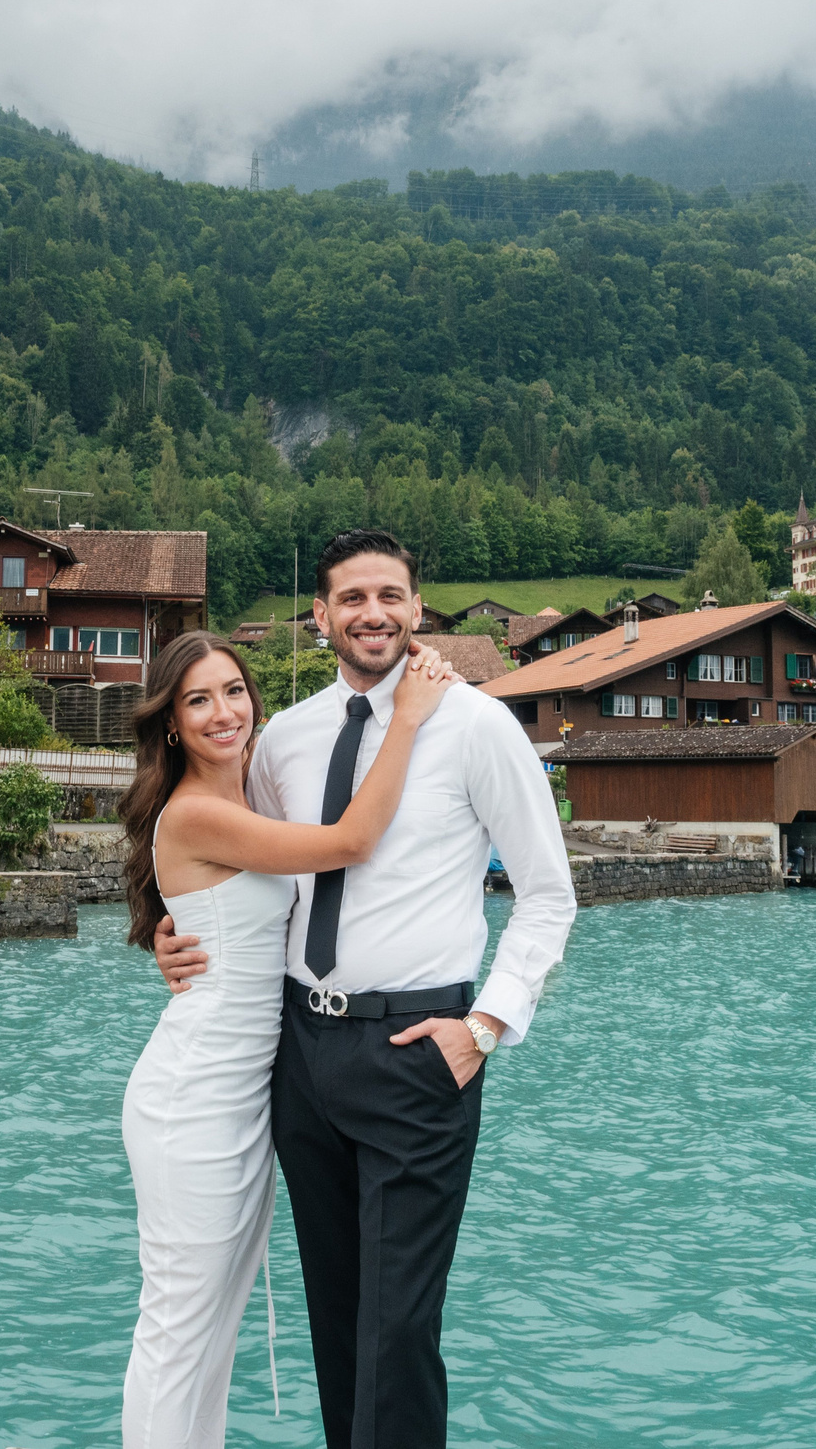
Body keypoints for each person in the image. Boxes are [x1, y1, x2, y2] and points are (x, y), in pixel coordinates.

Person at [154, 528, 577, 1448]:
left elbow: (549, 894)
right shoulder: (287, 741)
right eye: (352, 597)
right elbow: (244, 867)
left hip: (419, 1053)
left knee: (398, 1332)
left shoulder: (479, 726)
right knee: (338, 1325)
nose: (373, 612)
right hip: (301, 1055)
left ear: (417, 607)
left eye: (390, 594)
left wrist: (487, 1026)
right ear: (321, 617)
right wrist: (172, 932)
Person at [119, 627, 459, 1449]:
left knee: (214, 1331)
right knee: (177, 1332)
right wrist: (408, 717)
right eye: (198, 698)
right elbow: (349, 843)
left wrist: (170, 932)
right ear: (171, 722)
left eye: (233, 690)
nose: (223, 710)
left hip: (248, 1095)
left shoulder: (249, 794)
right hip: (193, 1098)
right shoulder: (200, 810)